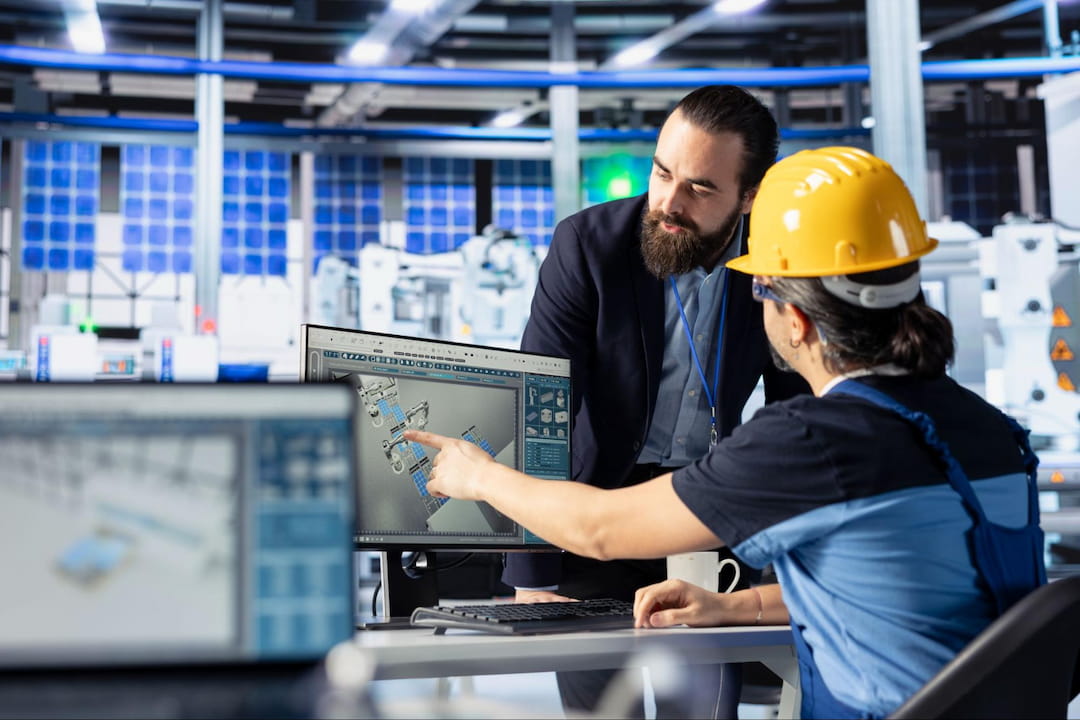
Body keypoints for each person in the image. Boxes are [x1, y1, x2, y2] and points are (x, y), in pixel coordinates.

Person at [405, 146, 1047, 720]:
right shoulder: (989, 429)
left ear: (795, 320)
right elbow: (898, 593)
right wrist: (732, 607)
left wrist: (479, 475)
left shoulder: (812, 441)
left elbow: (600, 530)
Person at [506, 84, 807, 718]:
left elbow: (798, 415)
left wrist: (789, 562)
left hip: (705, 512)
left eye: (699, 187)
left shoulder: (780, 260)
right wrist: (533, 573)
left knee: (700, 712)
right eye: (662, 172)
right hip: (594, 514)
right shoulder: (588, 245)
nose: (669, 202)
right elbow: (541, 410)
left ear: (750, 196)